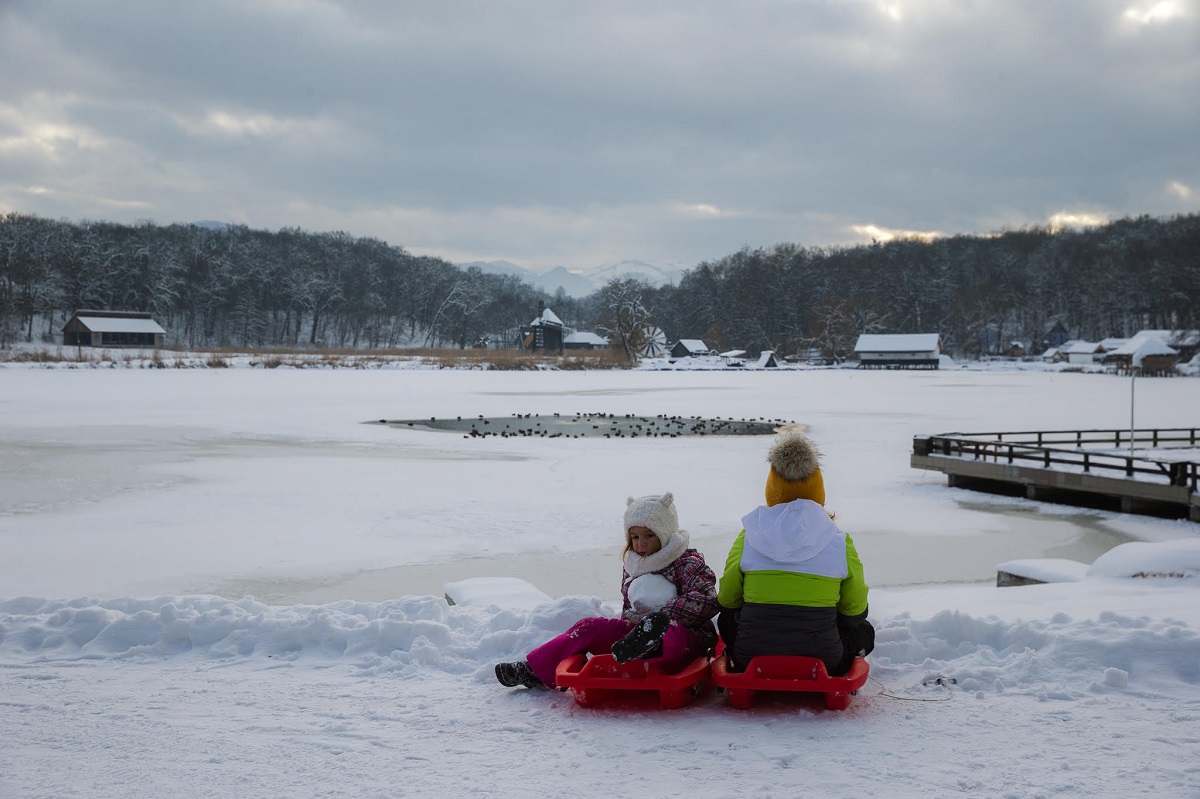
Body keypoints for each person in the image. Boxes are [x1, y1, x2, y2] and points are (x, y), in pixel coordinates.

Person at [495, 492, 719, 689]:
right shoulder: (634, 566)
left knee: (667, 630)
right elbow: (628, 605)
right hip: (637, 633)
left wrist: (661, 615)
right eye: (635, 537)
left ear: (664, 533)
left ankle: (648, 642)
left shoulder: (687, 562)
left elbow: (706, 600)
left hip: (685, 642)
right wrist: (632, 623)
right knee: (589, 627)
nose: (640, 545)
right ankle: (535, 670)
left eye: (649, 536)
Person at [716, 432, 873, 676]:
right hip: (825, 659)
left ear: (772, 488)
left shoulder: (749, 536)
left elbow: (727, 600)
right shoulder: (839, 541)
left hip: (751, 656)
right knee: (862, 629)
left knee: (729, 618)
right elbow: (854, 609)